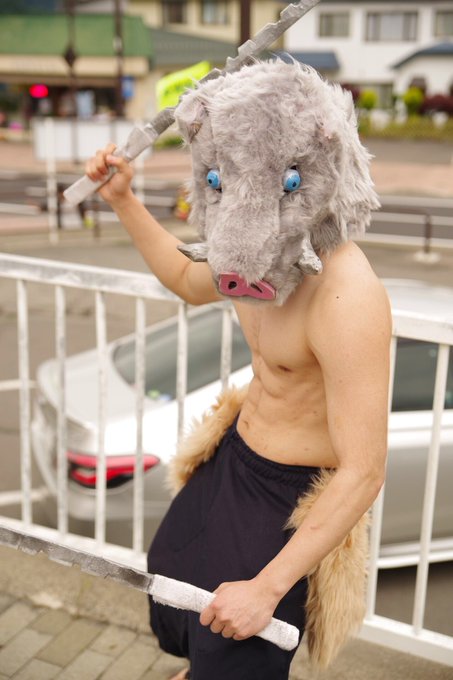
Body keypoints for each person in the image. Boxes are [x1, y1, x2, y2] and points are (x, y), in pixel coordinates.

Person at [85, 61, 392, 680]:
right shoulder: (249, 252)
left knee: (238, 644)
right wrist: (122, 199)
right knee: (176, 585)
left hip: (286, 498)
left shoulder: (346, 294)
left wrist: (267, 587)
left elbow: (364, 470)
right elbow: (184, 277)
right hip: (233, 459)